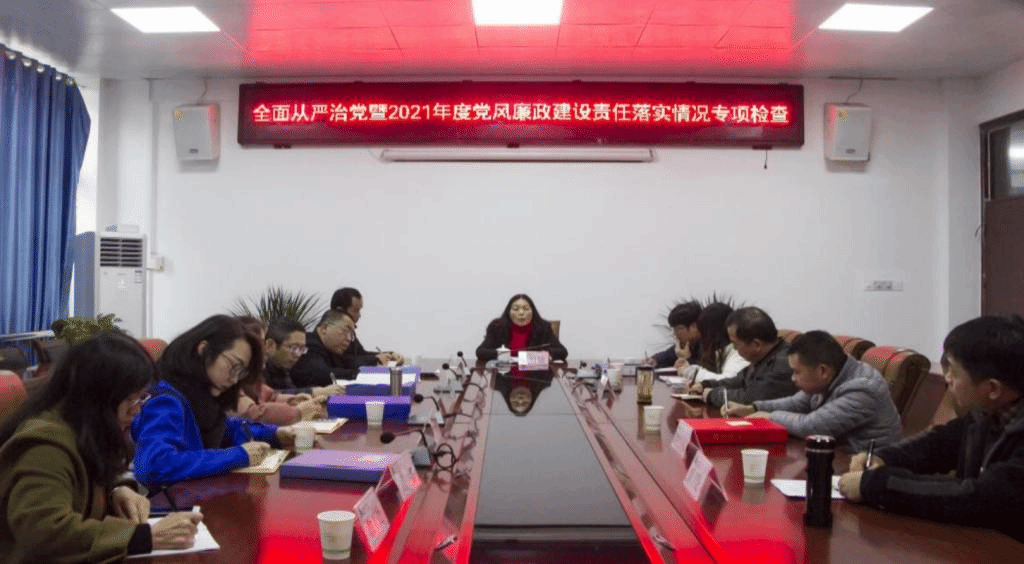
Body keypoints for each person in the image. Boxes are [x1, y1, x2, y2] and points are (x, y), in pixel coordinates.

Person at [0, 333, 202, 563]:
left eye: (140, 399)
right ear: (98, 397)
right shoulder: (44, 447)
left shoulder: (81, 428)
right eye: (130, 400)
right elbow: (44, 531)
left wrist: (115, 492)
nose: (136, 411)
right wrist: (141, 537)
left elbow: (73, 491)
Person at [837, 316, 1024, 542]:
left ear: (992, 389)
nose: (947, 379)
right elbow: (937, 445)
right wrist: (883, 458)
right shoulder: (987, 412)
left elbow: (979, 497)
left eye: (954, 372)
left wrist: (878, 485)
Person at [132, 315, 295, 486]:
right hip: (172, 500)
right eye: (234, 366)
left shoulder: (200, 395)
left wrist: (274, 434)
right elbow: (155, 465)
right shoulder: (165, 399)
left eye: (241, 372)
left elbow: (226, 428)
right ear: (204, 349)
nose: (234, 380)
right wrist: (238, 455)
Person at [724, 330, 902, 451]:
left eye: (797, 372)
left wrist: (770, 417)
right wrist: (753, 408)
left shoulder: (862, 389)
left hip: (865, 468)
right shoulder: (834, 372)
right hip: (838, 456)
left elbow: (811, 426)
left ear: (822, 371)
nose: (793, 378)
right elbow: (796, 402)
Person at [690, 306, 796, 407]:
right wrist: (706, 385)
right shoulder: (765, 356)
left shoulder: (785, 362)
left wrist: (712, 395)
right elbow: (739, 380)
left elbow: (750, 398)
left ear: (756, 345)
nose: (734, 349)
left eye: (735, 344)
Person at [232, 316, 326, 426]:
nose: (266, 349)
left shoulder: (251, 376)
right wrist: (297, 411)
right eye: (262, 343)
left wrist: (293, 400)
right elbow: (252, 413)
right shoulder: (231, 378)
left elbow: (270, 396)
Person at [263, 318, 345, 399]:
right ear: (270, 345)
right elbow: (267, 397)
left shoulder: (284, 369)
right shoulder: (258, 370)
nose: (298, 355)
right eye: (294, 348)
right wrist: (313, 392)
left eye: (302, 349)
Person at [475, 294, 568, 362]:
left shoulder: (543, 327)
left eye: (526, 309)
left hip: (537, 376)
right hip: (504, 377)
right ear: (509, 312)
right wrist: (501, 354)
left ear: (533, 311)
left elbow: (563, 352)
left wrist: (544, 355)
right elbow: (480, 352)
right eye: (516, 309)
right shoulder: (497, 327)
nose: (521, 313)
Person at [331, 287, 405, 367]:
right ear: (340, 310)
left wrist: (389, 355)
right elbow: (343, 362)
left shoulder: (351, 334)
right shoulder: (332, 333)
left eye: (359, 310)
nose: (359, 316)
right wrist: (374, 358)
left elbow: (361, 354)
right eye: (355, 311)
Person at [679, 301, 749, 383]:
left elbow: (728, 381)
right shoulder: (722, 352)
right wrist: (690, 368)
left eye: (703, 332)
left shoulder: (737, 353)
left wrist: (690, 372)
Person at [290, 310, 358, 387]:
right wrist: (356, 374)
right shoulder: (309, 344)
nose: (349, 338)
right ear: (324, 328)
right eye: (345, 331)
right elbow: (322, 375)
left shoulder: (331, 349)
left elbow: (350, 363)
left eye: (351, 334)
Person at [650, 300, 702, 369]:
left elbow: (704, 369)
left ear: (694, 327)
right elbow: (668, 355)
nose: (675, 333)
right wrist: (655, 360)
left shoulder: (709, 346)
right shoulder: (688, 344)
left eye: (679, 329)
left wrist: (685, 360)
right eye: (674, 329)